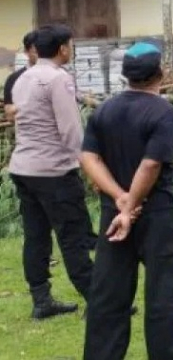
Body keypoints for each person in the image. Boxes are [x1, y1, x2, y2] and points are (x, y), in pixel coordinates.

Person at [79, 42, 173, 360]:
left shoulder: (103, 109)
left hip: (113, 214)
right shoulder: (163, 111)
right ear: (160, 73)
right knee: (164, 290)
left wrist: (118, 199)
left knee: (109, 292)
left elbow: (88, 157)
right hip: (155, 214)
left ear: (125, 76)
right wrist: (132, 202)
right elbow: (151, 164)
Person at [9, 24, 93, 319]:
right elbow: (70, 130)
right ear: (62, 49)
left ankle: (41, 300)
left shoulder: (23, 78)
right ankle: (96, 298)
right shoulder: (58, 79)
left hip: (23, 167)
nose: (71, 49)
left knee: (36, 236)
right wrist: (88, 166)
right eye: (71, 45)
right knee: (72, 236)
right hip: (53, 171)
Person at [3, 30, 38, 121]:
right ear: (26, 51)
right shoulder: (14, 78)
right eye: (36, 51)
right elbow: (9, 114)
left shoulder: (56, 76)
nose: (41, 55)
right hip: (26, 132)